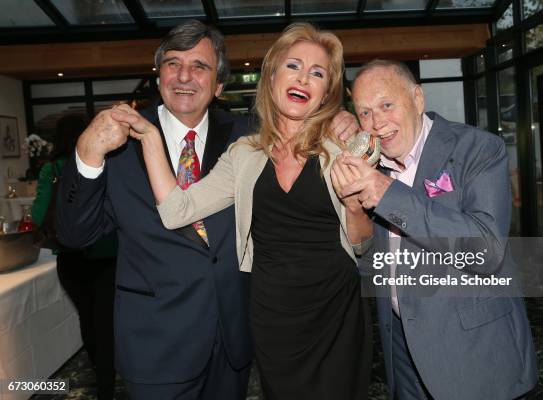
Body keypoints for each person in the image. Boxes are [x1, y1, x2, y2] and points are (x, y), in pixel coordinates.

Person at [112, 22, 373, 400]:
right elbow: (176, 211)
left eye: (317, 73)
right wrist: (150, 137)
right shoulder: (243, 153)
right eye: (293, 66)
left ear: (325, 92)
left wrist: (354, 207)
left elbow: (362, 244)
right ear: (271, 77)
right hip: (272, 317)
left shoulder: (341, 147)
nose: (304, 78)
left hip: (336, 314)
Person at [55, 21, 253, 400]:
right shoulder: (121, 139)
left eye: (200, 66)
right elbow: (74, 234)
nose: (184, 76)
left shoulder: (247, 136)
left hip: (231, 340)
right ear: (158, 74)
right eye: (173, 63)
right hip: (156, 344)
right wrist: (88, 153)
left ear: (219, 85)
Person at [332, 60, 538, 400]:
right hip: (403, 348)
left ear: (417, 99)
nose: (376, 122)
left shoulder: (478, 148)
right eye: (365, 112)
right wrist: (355, 212)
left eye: (386, 105)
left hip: (473, 351)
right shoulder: (373, 164)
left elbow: (485, 250)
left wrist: (386, 194)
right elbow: (373, 269)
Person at [32, 114, 117, 400]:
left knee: (88, 320)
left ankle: (98, 374)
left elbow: (39, 215)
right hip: (107, 255)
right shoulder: (108, 164)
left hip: (70, 258)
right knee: (106, 322)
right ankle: (108, 383)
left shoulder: (51, 170)